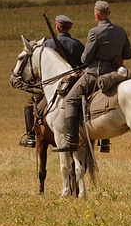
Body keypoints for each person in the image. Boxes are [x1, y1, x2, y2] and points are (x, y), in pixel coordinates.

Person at [53, 1, 131, 152]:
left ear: (97, 14)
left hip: (96, 73)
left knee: (70, 99)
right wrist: (117, 57)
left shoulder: (94, 32)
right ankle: (105, 142)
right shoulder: (120, 30)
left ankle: (71, 141)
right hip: (117, 72)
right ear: (108, 14)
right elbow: (128, 54)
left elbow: (85, 59)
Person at [19, 15, 84, 149]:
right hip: (73, 83)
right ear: (69, 27)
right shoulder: (77, 44)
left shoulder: (48, 44)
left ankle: (31, 136)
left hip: (54, 86)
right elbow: (83, 65)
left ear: (57, 27)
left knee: (30, 104)